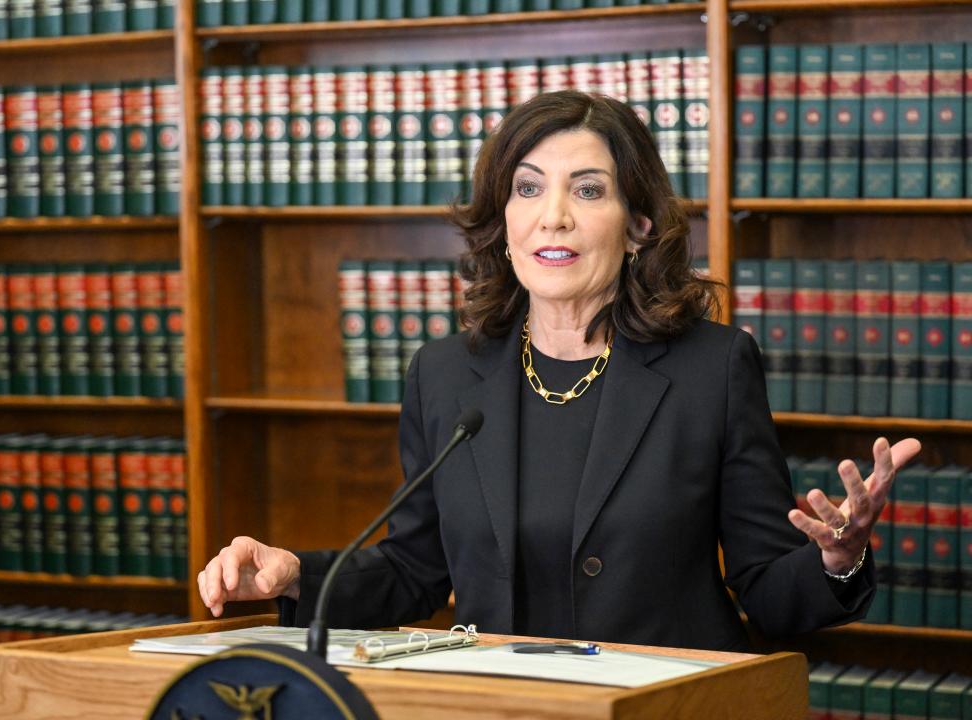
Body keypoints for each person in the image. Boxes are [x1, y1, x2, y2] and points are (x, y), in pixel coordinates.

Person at [198, 90, 921, 651]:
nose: (554, 217)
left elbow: (766, 590)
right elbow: (415, 570)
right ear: (502, 221)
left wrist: (837, 557)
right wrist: (295, 574)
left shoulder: (713, 369)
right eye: (527, 188)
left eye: (588, 190)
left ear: (638, 226)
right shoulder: (446, 377)